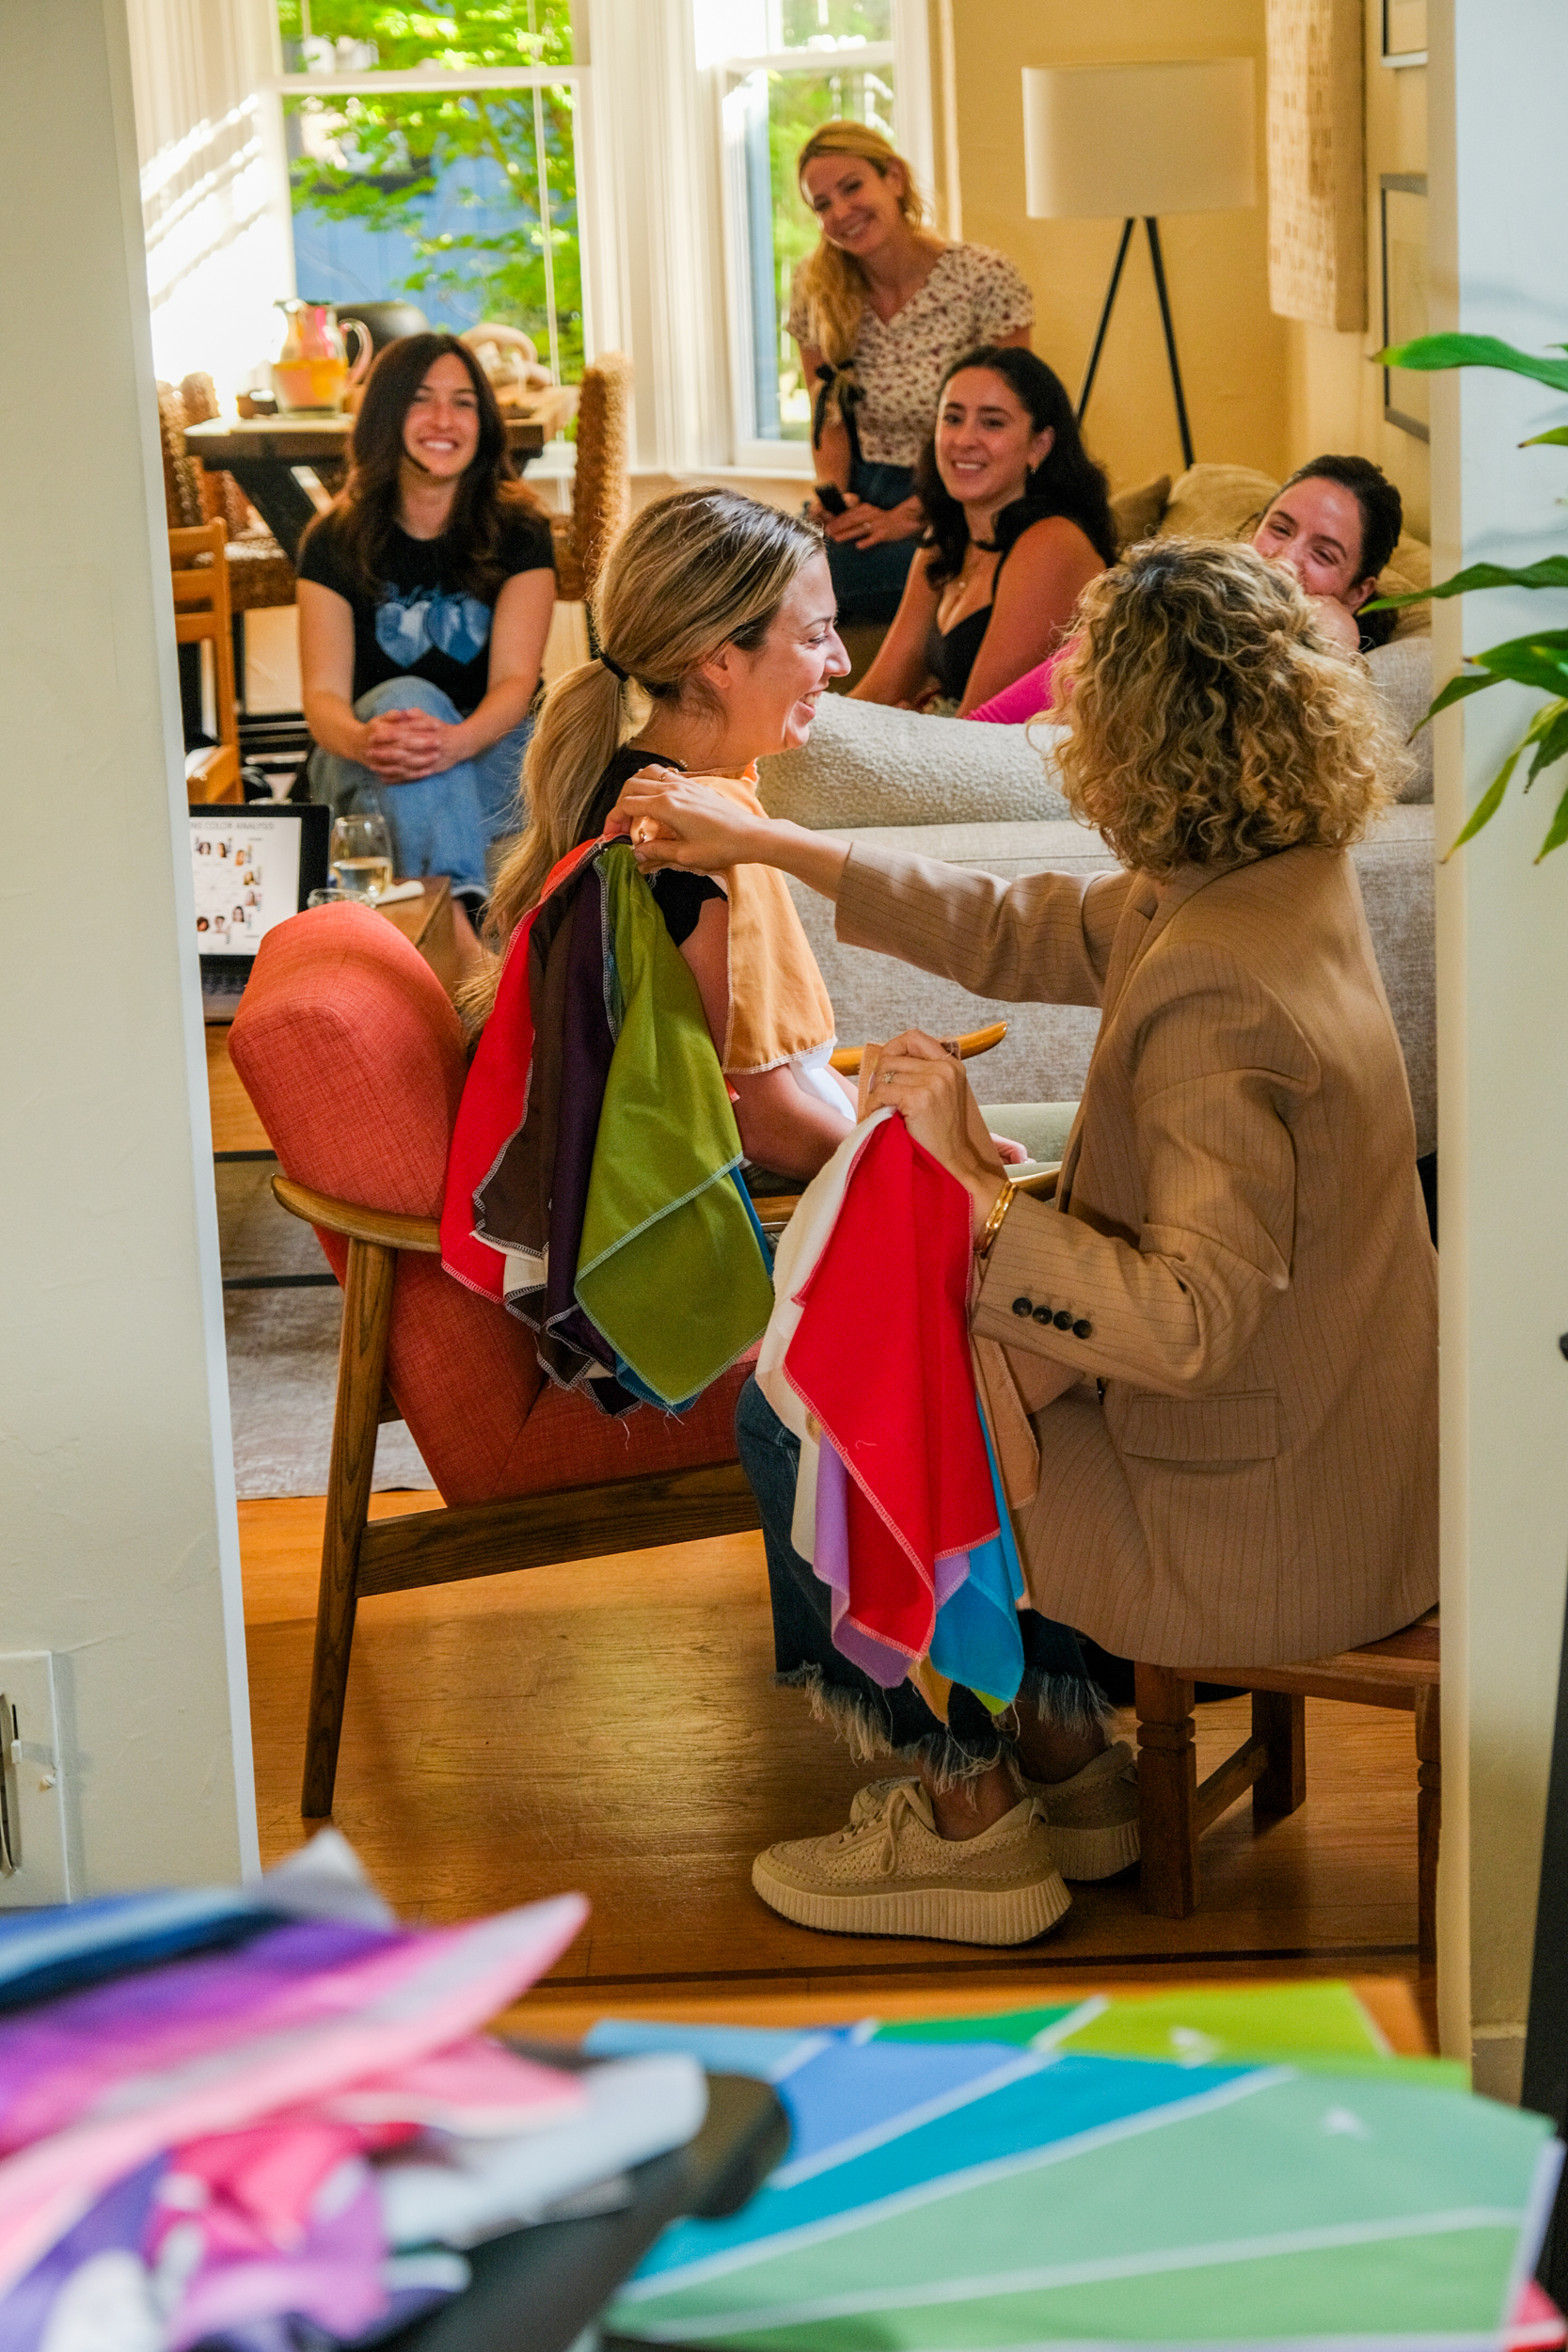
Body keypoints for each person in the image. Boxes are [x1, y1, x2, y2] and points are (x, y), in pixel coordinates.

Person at [609, 539, 1437, 1947]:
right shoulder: (1271, 877)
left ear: (1133, 741)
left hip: (1253, 1520)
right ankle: (1066, 1761)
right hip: (1341, 1450)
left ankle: (963, 1823)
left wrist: (972, 1190)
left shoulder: (1217, 993)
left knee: (799, 1408)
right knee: (894, 1353)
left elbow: (1183, 1323)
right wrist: (764, 842)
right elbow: (1023, 924)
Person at [473, 490, 862, 1183]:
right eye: (812, 636)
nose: (839, 660)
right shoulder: (701, 842)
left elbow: (784, 1079)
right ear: (715, 660)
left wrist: (903, 1126)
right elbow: (766, 1123)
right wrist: (942, 1179)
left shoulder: (624, 786)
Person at [296, 331, 556, 945]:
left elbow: (516, 686)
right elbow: (323, 702)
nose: (445, 419)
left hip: (493, 754)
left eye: (464, 402)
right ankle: (462, 945)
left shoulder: (520, 529)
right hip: (370, 757)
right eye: (422, 399)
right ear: (388, 413)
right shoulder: (332, 539)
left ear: (483, 420)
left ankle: (436, 936)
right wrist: (371, 739)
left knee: (420, 735)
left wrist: (453, 743)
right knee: (404, 699)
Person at [790, 122, 1033, 628]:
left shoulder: (983, 279)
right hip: (864, 490)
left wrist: (911, 514)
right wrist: (833, 495)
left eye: (852, 187)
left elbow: (1012, 427)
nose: (840, 212)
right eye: (823, 204)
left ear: (894, 178)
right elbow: (828, 417)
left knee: (779, 599)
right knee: (749, 572)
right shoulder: (816, 287)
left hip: (963, 498)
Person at [967, 451, 1405, 725]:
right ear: (1254, 528)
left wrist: (1328, 629)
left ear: (1357, 592)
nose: (1286, 559)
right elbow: (988, 723)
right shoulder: (1176, 598)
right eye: (1279, 528)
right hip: (1007, 743)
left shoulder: (1329, 644)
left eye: (1324, 555)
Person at [852, 347, 1115, 716]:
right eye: (953, 418)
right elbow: (883, 687)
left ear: (1039, 445)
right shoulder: (943, 540)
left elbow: (981, 725)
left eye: (992, 423)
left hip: (1016, 762)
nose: (964, 440)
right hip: (960, 747)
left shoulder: (1053, 543)